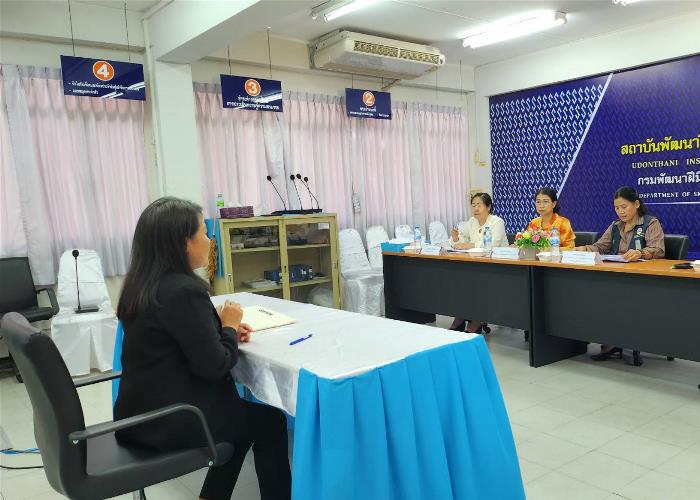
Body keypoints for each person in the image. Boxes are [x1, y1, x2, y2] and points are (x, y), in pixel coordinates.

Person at [114, 197, 291, 500]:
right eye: (204, 233)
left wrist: (220, 328)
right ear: (184, 243)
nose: (210, 241)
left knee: (239, 420)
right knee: (270, 423)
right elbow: (215, 366)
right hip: (175, 419)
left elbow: (176, 338)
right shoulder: (184, 290)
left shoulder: (141, 286)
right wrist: (230, 326)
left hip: (139, 417)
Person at [573, 186, 665, 361]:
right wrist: (584, 248)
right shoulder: (615, 226)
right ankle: (610, 339)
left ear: (636, 204)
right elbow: (601, 246)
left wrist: (640, 252)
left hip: (642, 279)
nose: (620, 211)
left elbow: (658, 250)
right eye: (617, 208)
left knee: (613, 296)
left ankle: (615, 341)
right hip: (616, 275)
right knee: (595, 293)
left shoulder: (650, 223)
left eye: (624, 207)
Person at [449, 192, 509, 333]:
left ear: (488, 207)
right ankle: (461, 316)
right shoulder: (471, 221)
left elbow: (493, 244)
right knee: (461, 281)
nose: (476, 208)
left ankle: (477, 319)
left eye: (479, 205)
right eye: (473, 205)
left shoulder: (497, 222)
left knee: (477, 282)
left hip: (498, 266)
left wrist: (469, 245)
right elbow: (461, 242)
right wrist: (456, 238)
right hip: (476, 264)